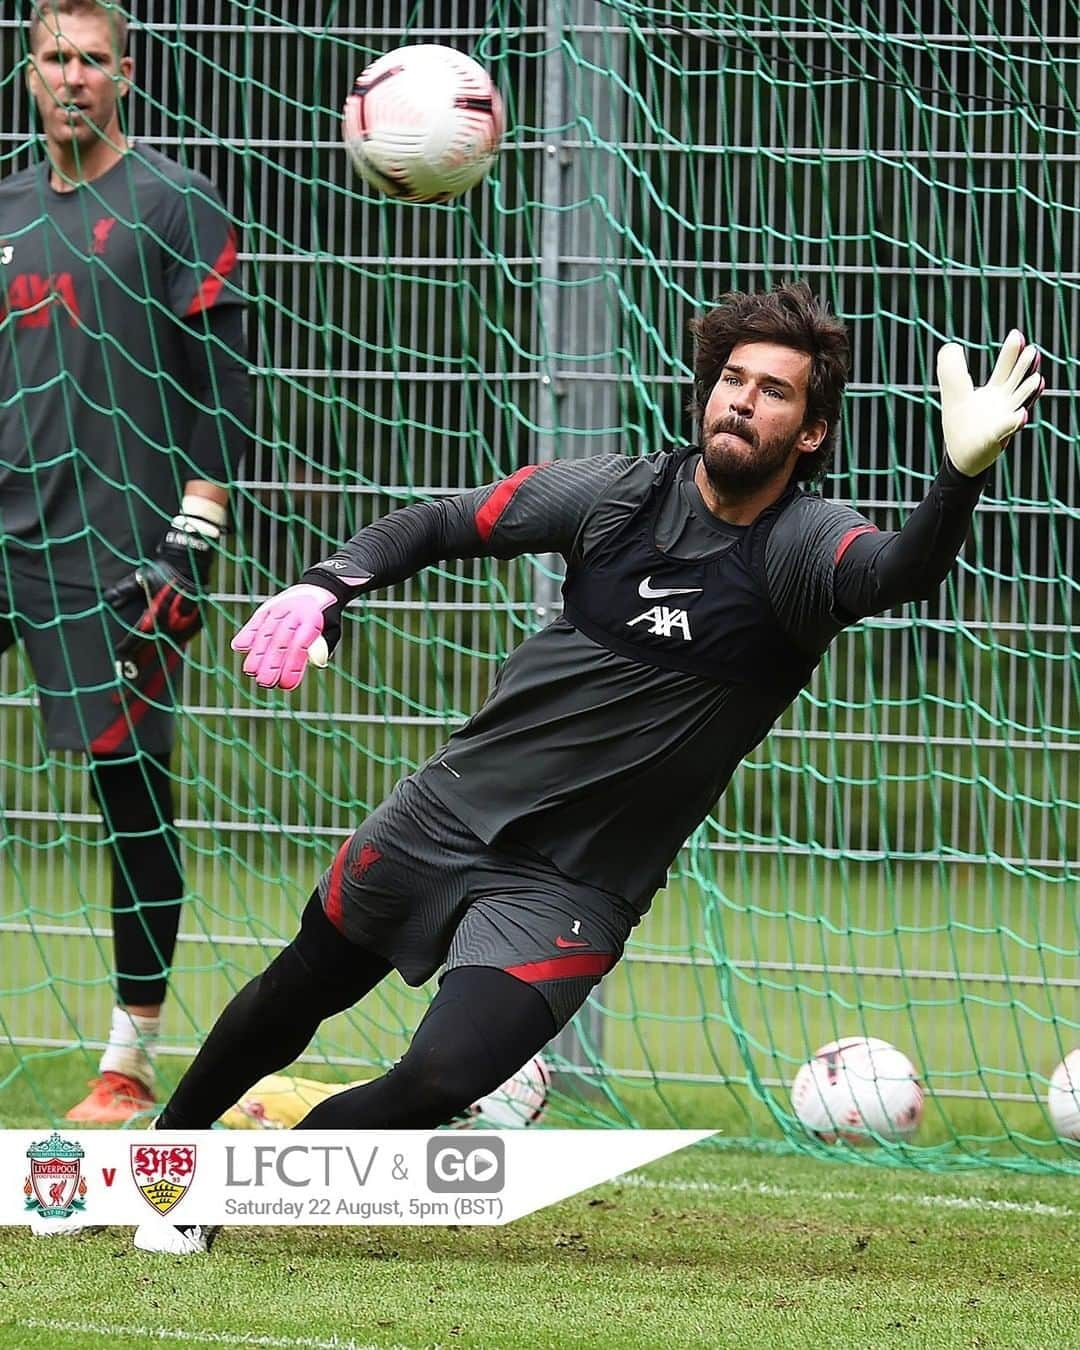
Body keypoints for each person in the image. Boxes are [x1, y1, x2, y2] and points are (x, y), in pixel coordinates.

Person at [135, 282, 1041, 1254]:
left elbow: (898, 574)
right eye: (731, 379)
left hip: (573, 886)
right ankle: (160, 1164)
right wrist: (326, 586)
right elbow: (447, 520)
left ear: (812, 432)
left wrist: (957, 478)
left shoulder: (800, 548)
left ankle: (235, 1189)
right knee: (297, 987)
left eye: (774, 391)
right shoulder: (621, 495)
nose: (741, 400)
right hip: (445, 812)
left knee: (439, 1080)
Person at [1, 0, 249, 1122]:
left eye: (93, 60)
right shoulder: (3, 205)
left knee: (132, 797)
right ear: (28, 70)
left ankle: (128, 1059)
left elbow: (224, 379)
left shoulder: (173, 201)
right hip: (8, 532)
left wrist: (193, 528)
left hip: (121, 549)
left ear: (126, 76)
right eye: (55, 57)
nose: (73, 77)